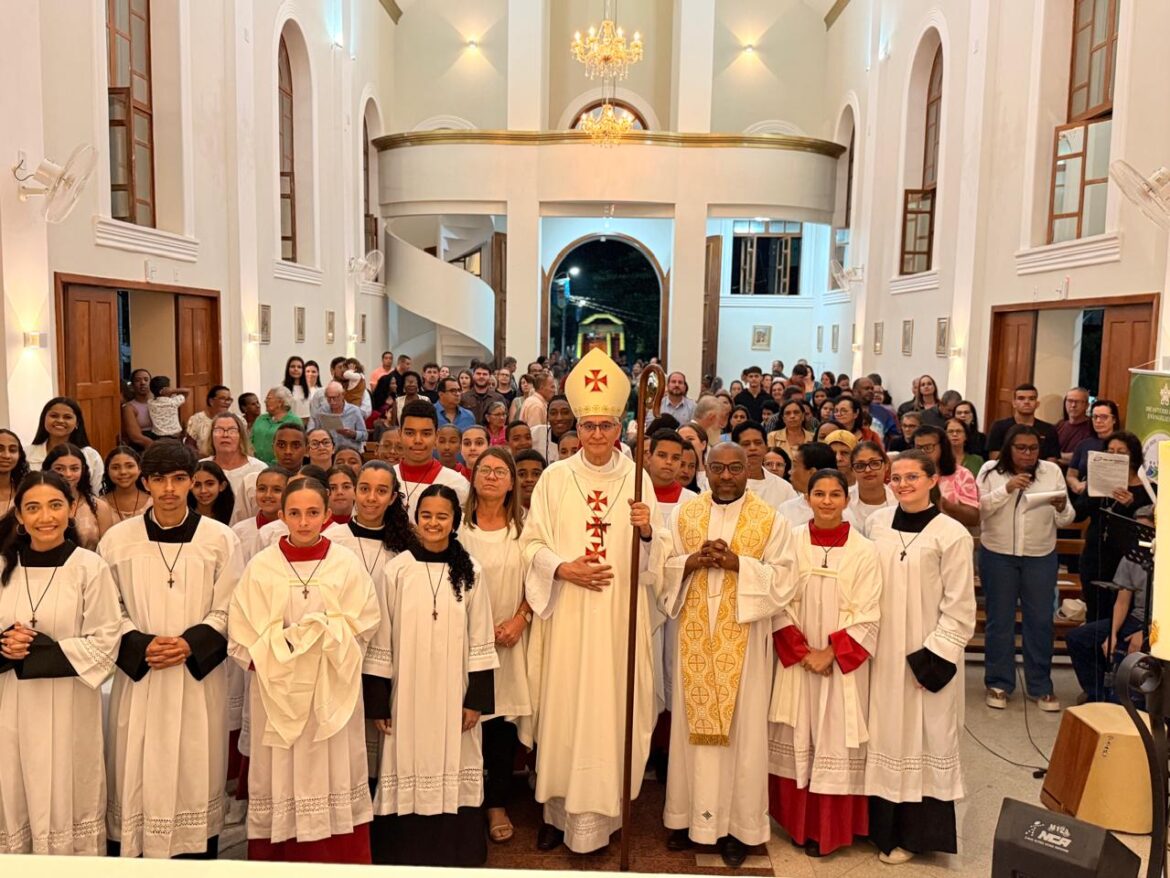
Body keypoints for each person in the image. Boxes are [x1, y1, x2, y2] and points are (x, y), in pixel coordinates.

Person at [519, 347, 669, 854]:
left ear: (619, 427)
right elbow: (531, 544)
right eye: (589, 426)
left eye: (606, 425)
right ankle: (556, 812)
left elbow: (658, 558)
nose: (597, 434)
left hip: (617, 622)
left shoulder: (637, 477)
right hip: (568, 617)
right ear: (576, 429)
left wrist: (647, 533)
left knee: (610, 715)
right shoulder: (555, 478)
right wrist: (563, 568)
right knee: (564, 710)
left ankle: (605, 816)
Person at [101, 441, 244, 858]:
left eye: (179, 479)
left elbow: (232, 605)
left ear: (193, 482)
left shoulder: (220, 539)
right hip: (140, 680)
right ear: (144, 482)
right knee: (135, 766)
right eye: (159, 479)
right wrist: (139, 643)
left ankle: (194, 855)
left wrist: (189, 644)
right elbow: (106, 607)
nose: (168, 489)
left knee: (194, 768)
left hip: (196, 681)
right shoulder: (117, 540)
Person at [228, 476, 379, 863]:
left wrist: (321, 636)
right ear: (281, 516)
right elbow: (242, 629)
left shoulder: (345, 564)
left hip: (331, 685)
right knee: (280, 768)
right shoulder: (262, 567)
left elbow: (364, 620)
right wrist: (287, 647)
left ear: (327, 515)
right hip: (276, 689)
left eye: (313, 513)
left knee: (333, 766)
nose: (304, 521)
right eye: (295, 513)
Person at [659, 442, 795, 866]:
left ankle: (738, 828)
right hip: (694, 640)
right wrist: (690, 562)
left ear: (748, 468)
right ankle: (686, 819)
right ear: (705, 468)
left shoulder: (770, 519)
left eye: (735, 468)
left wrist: (740, 564)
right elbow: (662, 567)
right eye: (717, 468)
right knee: (689, 731)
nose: (726, 476)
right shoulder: (685, 514)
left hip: (745, 643)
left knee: (744, 734)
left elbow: (787, 578)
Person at [371, 485, 498, 867]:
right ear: (416, 518)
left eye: (442, 516)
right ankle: (403, 854)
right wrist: (379, 700)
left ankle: (456, 853)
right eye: (426, 515)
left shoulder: (471, 571)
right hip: (406, 693)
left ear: (454, 521)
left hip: (454, 694)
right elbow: (380, 638)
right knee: (404, 760)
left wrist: (475, 700)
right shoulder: (397, 570)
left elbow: (482, 637)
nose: (433, 523)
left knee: (457, 763)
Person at [0, 470, 123, 855]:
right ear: (19, 516)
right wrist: (3, 646)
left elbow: (106, 641)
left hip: (71, 703)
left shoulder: (89, 567)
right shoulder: (2, 566)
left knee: (68, 784)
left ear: (71, 509)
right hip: (11, 704)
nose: (45, 517)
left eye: (55, 505)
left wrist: (35, 648)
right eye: (33, 508)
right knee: (16, 784)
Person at [864, 451, 975, 865]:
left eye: (912, 476)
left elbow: (960, 606)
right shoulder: (877, 524)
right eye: (896, 478)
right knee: (883, 733)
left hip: (925, 653)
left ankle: (915, 835)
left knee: (925, 735)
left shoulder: (952, 534)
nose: (903, 484)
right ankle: (880, 829)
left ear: (932, 480)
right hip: (880, 651)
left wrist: (936, 656)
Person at [769, 468, 880, 857]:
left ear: (846, 500)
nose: (827, 501)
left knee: (834, 738)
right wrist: (802, 652)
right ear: (808, 498)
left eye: (835, 494)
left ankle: (828, 829)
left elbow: (870, 612)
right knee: (797, 733)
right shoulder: (791, 541)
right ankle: (797, 825)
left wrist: (829, 653)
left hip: (839, 667)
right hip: (799, 661)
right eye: (819, 494)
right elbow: (777, 599)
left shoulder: (865, 550)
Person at [461, 449, 533, 845]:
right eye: (484, 470)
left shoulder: (525, 529)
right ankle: (466, 801)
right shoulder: (458, 527)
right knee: (468, 720)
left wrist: (520, 619)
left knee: (501, 723)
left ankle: (497, 804)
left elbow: (538, 581)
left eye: (500, 471)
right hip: (463, 641)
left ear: (511, 482)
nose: (491, 476)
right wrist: (473, 629)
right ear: (473, 478)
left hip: (510, 638)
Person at [977, 424, 1072, 712]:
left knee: (1040, 621)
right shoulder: (990, 471)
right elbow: (979, 510)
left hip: (1039, 555)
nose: (1028, 454)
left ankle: (1041, 686)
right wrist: (1007, 489)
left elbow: (1066, 518)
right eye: (1021, 448)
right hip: (998, 554)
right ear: (1009, 448)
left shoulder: (1051, 472)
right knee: (1000, 621)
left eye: (1033, 448)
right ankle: (998, 683)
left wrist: (1061, 507)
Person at [1065, 507, 1153, 703]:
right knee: (1078, 639)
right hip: (1135, 617)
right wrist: (1112, 634)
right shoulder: (1132, 558)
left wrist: (1146, 633)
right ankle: (1098, 696)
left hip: (1158, 624)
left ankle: (1131, 700)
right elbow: (1122, 601)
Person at [1071, 430, 1153, 624]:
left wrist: (1131, 505)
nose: (1115, 456)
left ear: (1133, 456)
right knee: (1095, 614)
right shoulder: (1096, 483)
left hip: (1129, 560)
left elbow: (1150, 525)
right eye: (1110, 451)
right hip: (1096, 556)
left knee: (1124, 615)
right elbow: (1078, 514)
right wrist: (1095, 492)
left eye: (1121, 452)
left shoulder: (1148, 488)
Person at [395, 400, 469, 518]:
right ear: (400, 435)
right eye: (410, 433)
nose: (418, 440)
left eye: (426, 434)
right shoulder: (387, 477)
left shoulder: (456, 483)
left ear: (436, 436)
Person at [27, 397, 105, 495]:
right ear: (44, 419)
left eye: (67, 417)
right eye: (54, 416)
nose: (60, 420)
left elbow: (96, 493)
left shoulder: (91, 456)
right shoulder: (27, 453)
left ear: (77, 423)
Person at [45, 443, 115, 549]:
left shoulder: (99, 507)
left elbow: (107, 549)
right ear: (48, 470)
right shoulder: (39, 505)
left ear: (83, 470)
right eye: (59, 468)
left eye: (74, 469)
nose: (68, 474)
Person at [205, 413, 267, 523]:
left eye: (232, 430)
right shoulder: (201, 467)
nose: (225, 435)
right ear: (211, 436)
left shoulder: (259, 468)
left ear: (241, 436)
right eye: (219, 430)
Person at [913, 425, 980, 528]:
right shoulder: (908, 474)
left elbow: (973, 518)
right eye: (918, 448)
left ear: (942, 447)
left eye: (928, 448)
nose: (922, 453)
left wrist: (945, 504)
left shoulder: (962, 474)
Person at [986, 384, 1061, 462]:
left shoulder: (1049, 429)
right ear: (1014, 403)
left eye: (1031, 398)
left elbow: (1052, 460)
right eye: (1021, 398)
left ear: (1037, 404)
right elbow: (994, 458)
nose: (1026, 402)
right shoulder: (999, 427)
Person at [778, 442, 846, 528]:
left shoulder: (844, 512)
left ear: (812, 473)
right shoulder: (786, 509)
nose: (789, 472)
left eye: (794, 466)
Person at [733, 421, 796, 509]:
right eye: (746, 444)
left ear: (766, 447)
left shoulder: (784, 488)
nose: (753, 448)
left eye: (758, 443)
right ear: (735, 449)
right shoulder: (725, 484)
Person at [1066, 399, 1122, 494]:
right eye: (1095, 417)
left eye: (1103, 417)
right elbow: (1071, 475)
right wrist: (1076, 485)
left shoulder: (1123, 444)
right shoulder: (1084, 444)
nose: (1098, 421)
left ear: (1114, 420)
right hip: (1084, 495)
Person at [847, 441, 896, 529]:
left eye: (874, 463)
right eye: (860, 466)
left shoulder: (899, 499)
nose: (868, 470)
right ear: (852, 470)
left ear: (886, 465)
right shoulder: (843, 500)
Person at [251, 387, 302, 465]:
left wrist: (272, 466)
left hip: (280, 466)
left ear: (280, 402)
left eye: (268, 398)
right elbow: (250, 441)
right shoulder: (260, 419)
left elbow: (295, 448)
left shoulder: (294, 421)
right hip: (255, 465)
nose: (265, 401)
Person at [317, 382, 367, 454]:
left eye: (334, 398)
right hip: (331, 453)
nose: (332, 401)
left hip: (351, 452)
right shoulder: (322, 411)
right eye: (329, 398)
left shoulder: (354, 411)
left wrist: (353, 434)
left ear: (342, 395)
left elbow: (365, 435)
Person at [186, 385, 234, 457]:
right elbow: (189, 444)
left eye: (229, 399)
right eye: (223, 399)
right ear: (211, 401)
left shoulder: (235, 420)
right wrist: (201, 456)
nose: (227, 402)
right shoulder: (197, 419)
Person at [531, 395, 575, 464]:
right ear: (547, 417)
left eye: (565, 412)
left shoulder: (583, 438)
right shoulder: (536, 434)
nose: (559, 418)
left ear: (574, 414)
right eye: (553, 413)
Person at [189, 461, 235, 525]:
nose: (203, 490)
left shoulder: (234, 515)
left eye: (210, 484)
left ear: (222, 486)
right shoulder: (182, 515)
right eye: (197, 485)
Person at [147, 376, 192, 441]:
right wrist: (173, 391)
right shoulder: (173, 402)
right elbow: (187, 391)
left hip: (157, 436)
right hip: (174, 436)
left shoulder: (150, 403)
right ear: (165, 390)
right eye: (170, 387)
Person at [1056, 387, 1093, 465]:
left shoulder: (1092, 428)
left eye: (1078, 402)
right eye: (1070, 401)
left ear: (1087, 405)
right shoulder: (1060, 425)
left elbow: (1082, 457)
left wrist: (1056, 456)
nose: (1073, 405)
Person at [121, 368, 155, 449]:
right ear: (132, 385)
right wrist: (157, 447)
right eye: (138, 380)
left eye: (146, 380)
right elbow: (135, 437)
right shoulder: (129, 407)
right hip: (141, 447)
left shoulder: (159, 403)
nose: (143, 383)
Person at [0, 429, 29, 517]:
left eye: (12, 450)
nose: (6, 455)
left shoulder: (26, 491)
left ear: (19, 455)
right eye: (0, 449)